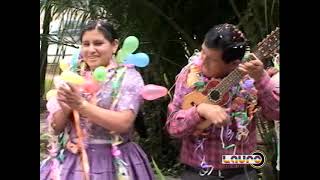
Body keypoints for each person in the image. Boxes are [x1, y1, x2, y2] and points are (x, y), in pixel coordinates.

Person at [40, 20, 155, 180]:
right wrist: (66, 106)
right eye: (86, 44)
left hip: (115, 162)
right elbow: (56, 128)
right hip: (72, 162)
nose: (91, 49)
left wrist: (81, 105)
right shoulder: (73, 75)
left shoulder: (127, 77)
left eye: (98, 43)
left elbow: (124, 123)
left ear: (114, 45)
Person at [166, 23, 279, 180]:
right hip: (197, 173)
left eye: (211, 59)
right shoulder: (189, 75)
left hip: (242, 173)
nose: (202, 59)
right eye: (203, 52)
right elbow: (173, 127)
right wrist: (200, 111)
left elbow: (276, 113)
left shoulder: (252, 77)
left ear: (234, 64)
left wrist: (261, 78)